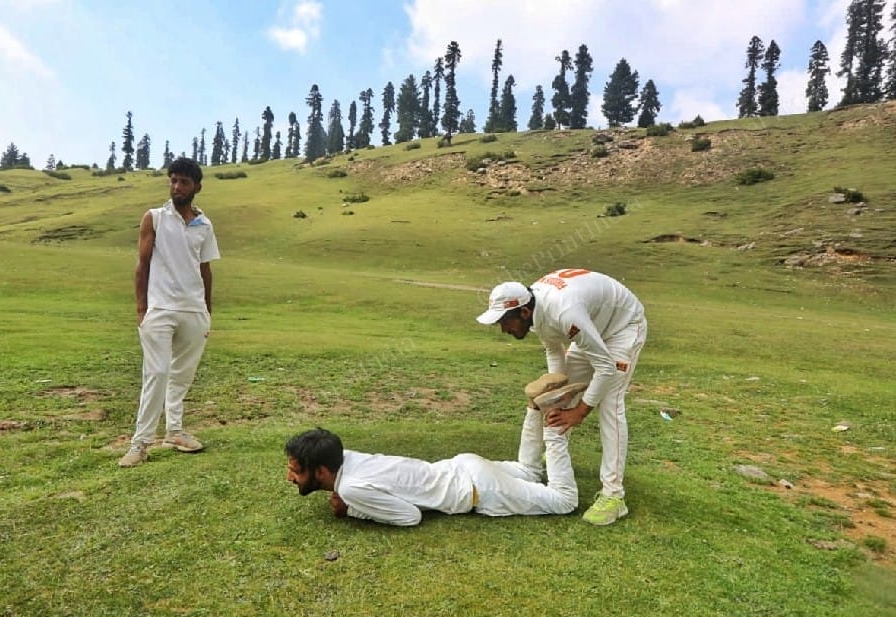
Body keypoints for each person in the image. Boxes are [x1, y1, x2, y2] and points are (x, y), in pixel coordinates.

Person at [284, 375, 583, 526]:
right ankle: (533, 407)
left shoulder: (349, 487)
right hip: (463, 466)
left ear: (321, 471)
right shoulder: (346, 456)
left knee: (564, 501)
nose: (290, 478)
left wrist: (353, 510)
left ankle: (552, 423)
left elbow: (409, 516)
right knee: (530, 472)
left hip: (478, 490)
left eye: (296, 471)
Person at [476, 268, 647, 525]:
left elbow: (605, 367)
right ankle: (557, 456)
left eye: (504, 322)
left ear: (523, 312)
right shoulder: (534, 311)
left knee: (610, 404)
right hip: (591, 325)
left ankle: (614, 496)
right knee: (561, 399)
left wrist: (580, 411)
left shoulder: (563, 313)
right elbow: (553, 350)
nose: (503, 330)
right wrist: (556, 393)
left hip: (623, 327)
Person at [118, 157, 220, 467]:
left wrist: (207, 310)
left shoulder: (205, 224)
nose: (177, 186)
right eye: (173, 180)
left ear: (197, 187)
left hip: (193, 310)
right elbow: (142, 264)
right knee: (157, 372)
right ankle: (140, 443)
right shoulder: (155, 218)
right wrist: (141, 309)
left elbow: (205, 269)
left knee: (181, 376)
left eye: (184, 182)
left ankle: (174, 431)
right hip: (159, 309)